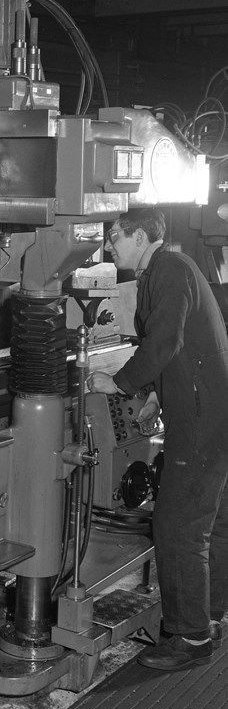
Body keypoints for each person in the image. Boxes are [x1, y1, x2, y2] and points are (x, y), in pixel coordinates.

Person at [87, 207, 228, 671]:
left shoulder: (168, 269)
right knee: (209, 523)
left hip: (202, 421)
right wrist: (152, 393)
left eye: (115, 237)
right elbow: (180, 348)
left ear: (142, 235)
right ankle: (209, 617)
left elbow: (163, 342)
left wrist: (121, 383)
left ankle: (189, 639)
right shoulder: (167, 271)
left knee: (177, 526)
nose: (110, 246)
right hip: (209, 412)